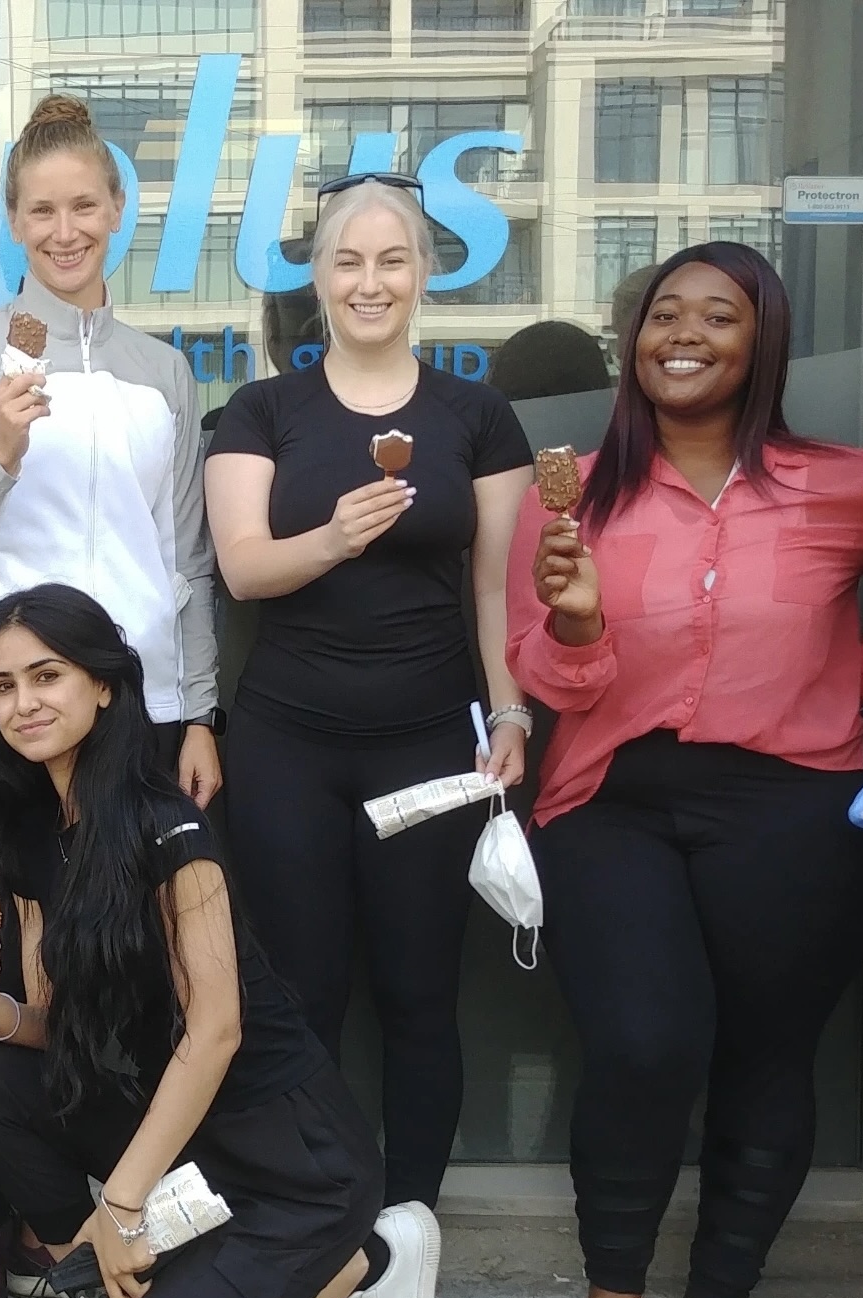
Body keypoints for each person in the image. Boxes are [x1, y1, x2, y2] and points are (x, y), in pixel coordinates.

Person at [506, 242, 863, 1298]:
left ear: (762, 338)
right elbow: (546, 673)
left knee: (768, 1053)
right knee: (641, 1042)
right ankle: (612, 1287)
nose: (683, 335)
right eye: (662, 315)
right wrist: (580, 625)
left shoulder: (850, 483)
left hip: (796, 806)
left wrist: (858, 681)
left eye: (717, 316)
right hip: (613, 801)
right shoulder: (572, 493)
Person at [0, 582, 440, 1298]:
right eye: (3, 686)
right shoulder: (23, 833)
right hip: (180, 1138)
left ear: (103, 685)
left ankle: (372, 1260)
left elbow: (216, 1031)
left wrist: (121, 1205)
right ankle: (100, 1297)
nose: (23, 703)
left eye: (47, 676)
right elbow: (55, 1022)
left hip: (288, 1167)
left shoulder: (169, 826)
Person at [0, 94, 221, 1298]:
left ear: (117, 212)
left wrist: (199, 710)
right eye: (43, 209)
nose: (67, 227)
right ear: (13, 221)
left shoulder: (161, 371)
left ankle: (131, 1209)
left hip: (137, 716)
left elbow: (186, 560)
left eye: (87, 204)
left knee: (139, 967)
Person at [204, 172, 535, 1208]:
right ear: (318, 277)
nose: (370, 282)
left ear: (424, 274)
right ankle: (317, 1218)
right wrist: (333, 538)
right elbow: (242, 569)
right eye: (347, 261)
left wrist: (512, 710)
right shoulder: (264, 410)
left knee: (418, 992)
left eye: (392, 260)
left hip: (429, 742)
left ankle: (408, 1226)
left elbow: (497, 587)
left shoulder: (477, 416)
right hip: (287, 745)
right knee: (301, 992)